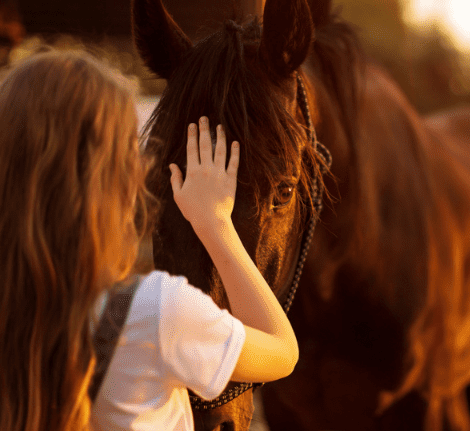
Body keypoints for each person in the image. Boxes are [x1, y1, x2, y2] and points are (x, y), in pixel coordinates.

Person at [0, 50, 298, 431]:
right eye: (130, 151)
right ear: (109, 179)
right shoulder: (154, 314)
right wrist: (215, 224)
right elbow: (283, 351)